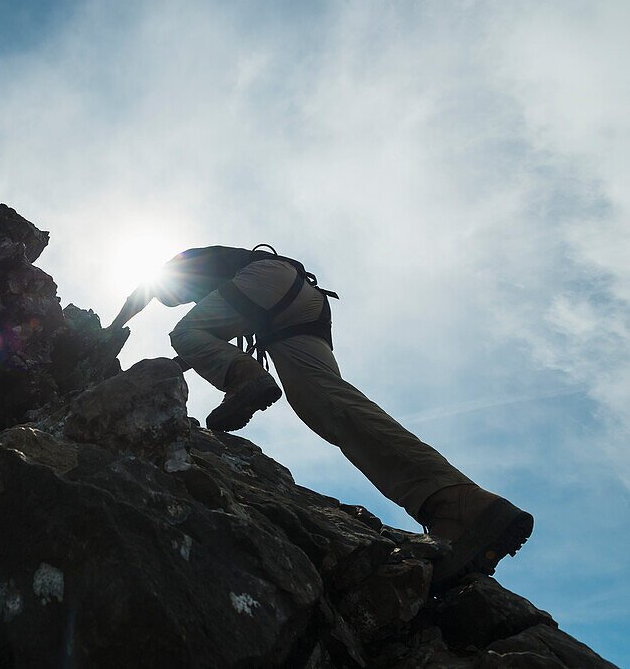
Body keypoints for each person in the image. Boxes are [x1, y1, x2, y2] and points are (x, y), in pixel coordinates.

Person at [108, 244, 533, 586]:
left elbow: (149, 295)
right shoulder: (223, 280)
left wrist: (111, 333)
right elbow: (211, 341)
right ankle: (454, 502)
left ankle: (246, 380)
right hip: (301, 304)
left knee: (185, 331)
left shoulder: (182, 266)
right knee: (325, 404)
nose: (174, 299)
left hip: (269, 287)